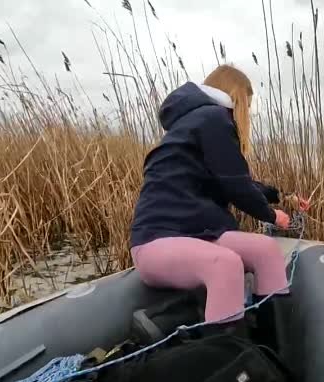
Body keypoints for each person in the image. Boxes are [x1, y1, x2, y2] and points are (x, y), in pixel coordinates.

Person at [129, 64, 308, 337]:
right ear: (236, 98)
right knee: (225, 264)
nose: (248, 112)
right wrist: (273, 216)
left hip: (197, 234)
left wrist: (281, 197)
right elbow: (236, 187)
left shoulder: (199, 123)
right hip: (156, 240)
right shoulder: (213, 119)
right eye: (247, 104)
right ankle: (233, 366)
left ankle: (271, 353)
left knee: (266, 250)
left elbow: (233, 180)